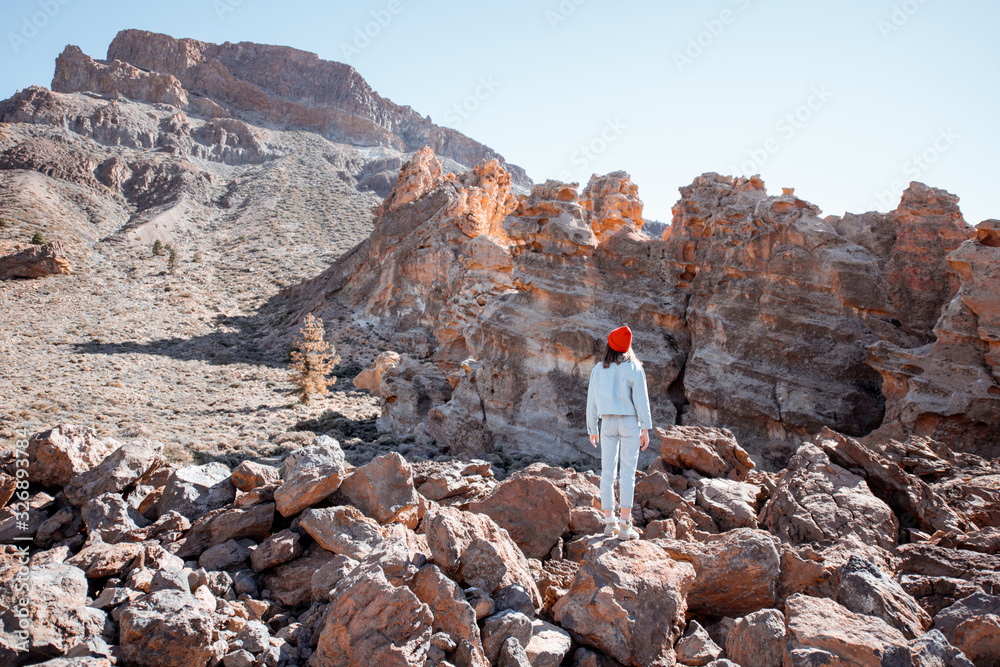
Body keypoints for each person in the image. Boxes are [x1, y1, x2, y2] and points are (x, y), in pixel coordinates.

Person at [586, 325, 652, 540]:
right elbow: (641, 400)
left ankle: (609, 523)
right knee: (627, 474)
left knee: (607, 473)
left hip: (607, 423)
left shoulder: (599, 369)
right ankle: (625, 526)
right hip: (630, 422)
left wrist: (591, 428)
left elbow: (592, 401)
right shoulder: (634, 368)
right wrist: (645, 428)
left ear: (610, 345)